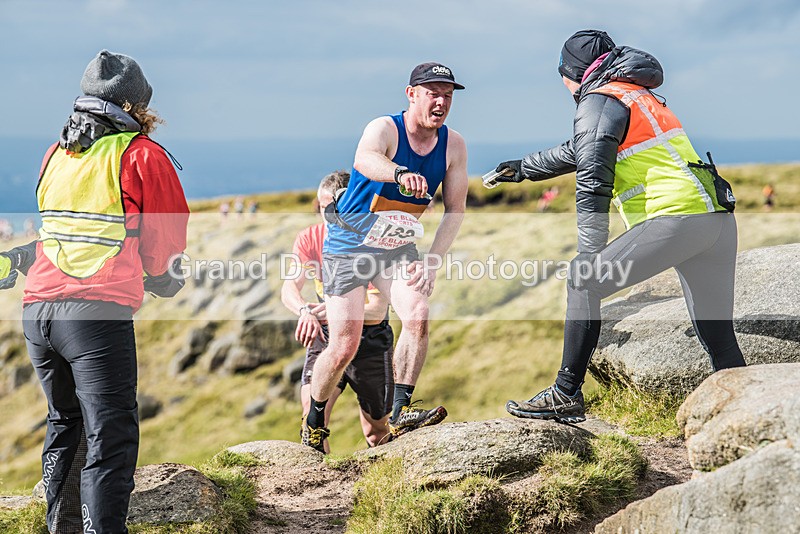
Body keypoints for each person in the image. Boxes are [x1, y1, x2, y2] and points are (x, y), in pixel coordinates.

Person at [493, 30, 745, 423]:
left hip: (675, 220)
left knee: (582, 281)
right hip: (715, 219)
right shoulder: (635, 94)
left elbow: (593, 182)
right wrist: (524, 168)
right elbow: (582, 149)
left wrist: (589, 253)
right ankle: (748, 416)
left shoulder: (598, 101)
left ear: (572, 74)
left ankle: (565, 393)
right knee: (719, 340)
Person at [0, 50, 189, 534]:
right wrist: (163, 277)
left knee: (66, 423)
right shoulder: (141, 155)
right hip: (94, 317)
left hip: (38, 313)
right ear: (134, 104)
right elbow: (164, 245)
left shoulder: (56, 153)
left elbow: (63, 232)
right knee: (111, 435)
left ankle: (60, 528)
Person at [302, 62, 469, 447]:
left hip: (395, 246)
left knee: (418, 314)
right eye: (433, 94)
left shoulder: (454, 145)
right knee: (343, 345)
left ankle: (401, 411)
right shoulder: (385, 129)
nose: (441, 102)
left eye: (448, 95)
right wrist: (398, 174)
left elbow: (456, 209)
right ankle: (314, 418)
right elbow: (365, 159)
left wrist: (433, 260)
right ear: (411, 94)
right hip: (348, 245)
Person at [281, 170, 394, 452]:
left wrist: (329, 312)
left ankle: (382, 475)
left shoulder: (375, 242)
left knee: (376, 432)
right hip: (327, 335)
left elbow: (377, 310)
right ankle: (317, 476)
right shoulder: (310, 238)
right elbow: (289, 287)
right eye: (321, 207)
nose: (326, 214)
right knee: (311, 420)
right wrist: (305, 311)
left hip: (369, 340)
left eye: (332, 207)